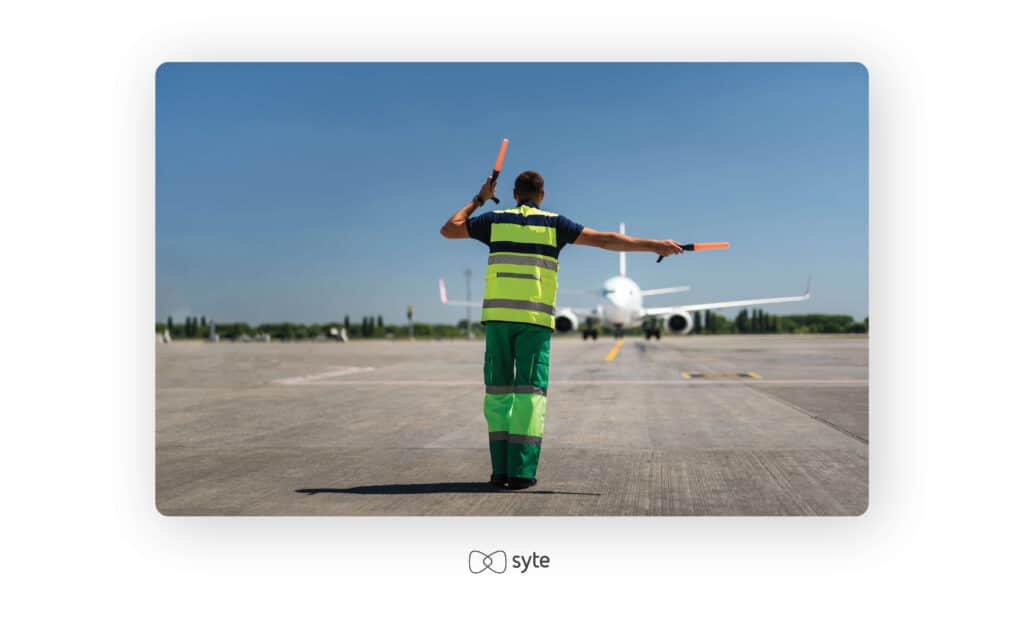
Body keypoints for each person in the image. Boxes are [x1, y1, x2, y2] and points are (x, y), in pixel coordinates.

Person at [440, 170, 683, 489]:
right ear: (542, 195)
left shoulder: (493, 220)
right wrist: (655, 245)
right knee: (530, 397)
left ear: (514, 194)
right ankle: (522, 473)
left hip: (498, 322)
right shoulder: (555, 223)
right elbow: (606, 240)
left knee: (498, 394)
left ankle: (499, 471)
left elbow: (449, 229)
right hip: (534, 324)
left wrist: (479, 199)